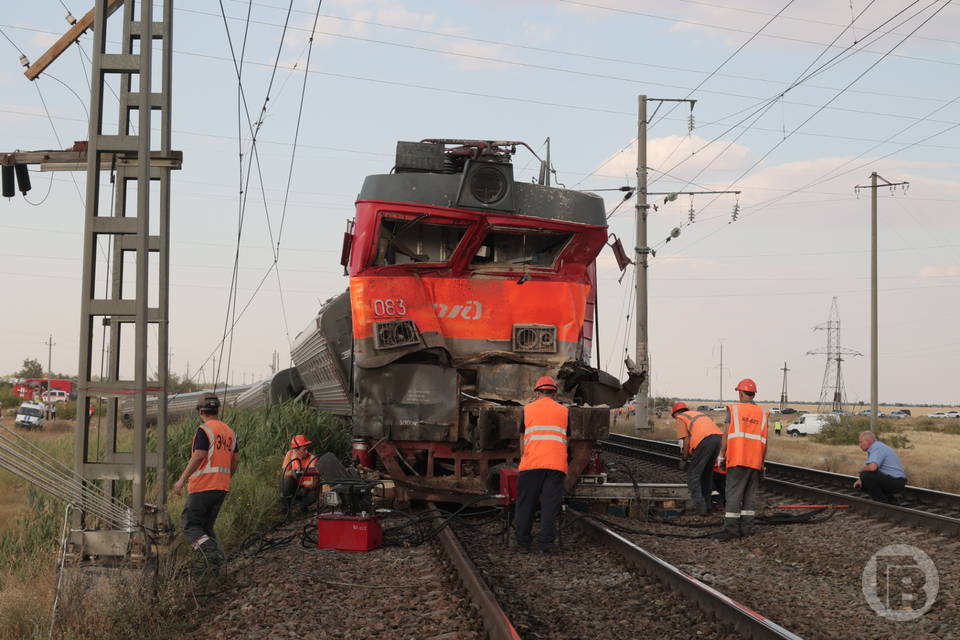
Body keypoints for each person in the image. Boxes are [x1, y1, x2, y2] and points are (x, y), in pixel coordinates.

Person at [173, 394, 238, 565]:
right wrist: (226, 477)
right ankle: (217, 566)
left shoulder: (205, 430)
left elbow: (199, 455)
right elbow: (236, 460)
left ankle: (211, 554)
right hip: (221, 487)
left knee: (190, 526)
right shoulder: (230, 432)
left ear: (201, 411)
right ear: (217, 410)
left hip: (203, 486)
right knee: (206, 528)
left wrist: (181, 480)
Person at [515, 375, 569, 554]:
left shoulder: (527, 410)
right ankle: (546, 545)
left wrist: (524, 458)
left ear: (537, 392)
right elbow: (565, 440)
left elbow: (522, 439)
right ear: (554, 393)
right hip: (555, 465)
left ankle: (523, 543)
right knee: (549, 506)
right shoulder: (564, 411)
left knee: (526, 504)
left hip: (531, 463)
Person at [718, 378, 768, 540]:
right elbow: (765, 441)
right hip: (755, 461)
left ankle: (731, 530)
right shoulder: (762, 413)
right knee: (749, 496)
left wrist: (721, 455)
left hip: (738, 459)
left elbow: (725, 435)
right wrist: (762, 462)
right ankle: (747, 528)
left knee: (733, 494)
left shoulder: (734, 410)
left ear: (740, 393)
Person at [671, 401, 722, 515]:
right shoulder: (697, 414)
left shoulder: (681, 418)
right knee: (706, 476)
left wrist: (684, 459)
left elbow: (686, 440)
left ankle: (701, 509)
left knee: (692, 476)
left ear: (675, 413)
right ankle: (708, 507)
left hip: (704, 442)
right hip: (718, 440)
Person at [853, 430, 907, 504]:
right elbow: (872, 469)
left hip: (896, 482)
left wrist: (861, 471)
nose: (860, 444)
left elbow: (872, 468)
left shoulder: (877, 447)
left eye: (861, 442)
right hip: (896, 481)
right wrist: (860, 479)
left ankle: (881, 503)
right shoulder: (876, 447)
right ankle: (891, 501)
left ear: (869, 441)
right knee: (864, 481)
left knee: (865, 475)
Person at [281, 434, 319, 512]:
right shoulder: (290, 455)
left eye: (307, 449)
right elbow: (284, 473)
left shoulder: (313, 459)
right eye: (304, 449)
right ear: (296, 450)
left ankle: (302, 506)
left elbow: (315, 481)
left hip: (307, 489)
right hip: (294, 487)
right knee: (286, 480)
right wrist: (292, 473)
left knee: (313, 495)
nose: (307, 451)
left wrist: (308, 488)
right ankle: (286, 507)